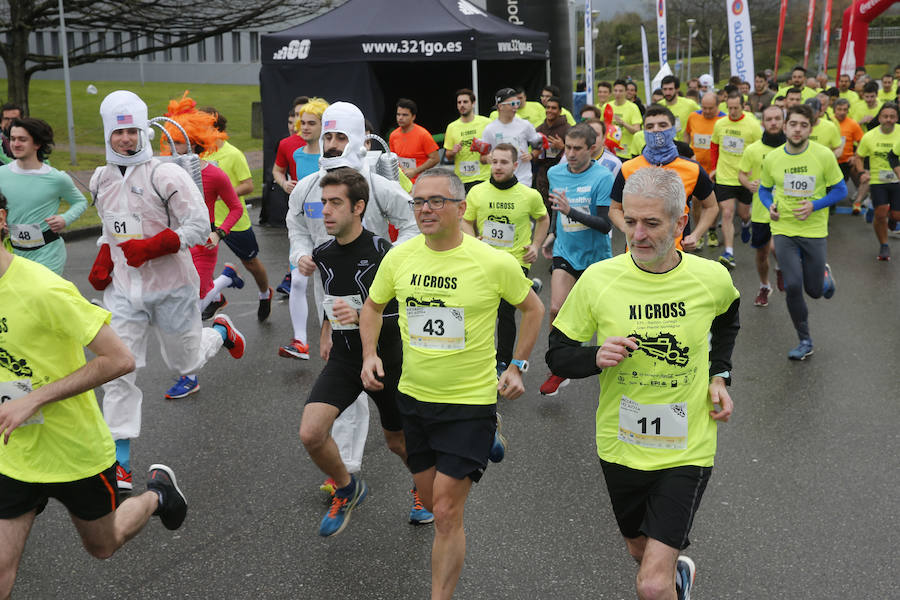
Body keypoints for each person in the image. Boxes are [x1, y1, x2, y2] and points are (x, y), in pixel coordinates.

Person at [546, 166, 739, 600]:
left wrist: (720, 375)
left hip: (687, 445)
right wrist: (594, 356)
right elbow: (557, 355)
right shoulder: (599, 280)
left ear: (681, 221)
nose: (637, 234)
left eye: (651, 223)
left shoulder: (710, 278)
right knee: (639, 550)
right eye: (630, 221)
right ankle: (675, 574)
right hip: (621, 443)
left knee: (650, 585)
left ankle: (664, 579)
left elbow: (728, 319)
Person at [360, 167, 544, 600]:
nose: (425, 209)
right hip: (414, 398)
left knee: (444, 512)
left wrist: (517, 366)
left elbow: (534, 309)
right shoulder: (400, 257)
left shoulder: (493, 262)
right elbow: (372, 307)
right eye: (418, 202)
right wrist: (369, 354)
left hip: (469, 402)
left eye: (436, 201)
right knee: (429, 500)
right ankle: (489, 437)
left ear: (461, 208)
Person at [0, 192, 189, 598]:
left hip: (74, 450)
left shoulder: (43, 289)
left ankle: (157, 495)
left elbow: (120, 359)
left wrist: (34, 398)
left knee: (103, 545)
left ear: (0, 219)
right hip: (13, 451)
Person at [89, 90, 247, 489]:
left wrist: (155, 246)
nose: (126, 139)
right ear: (108, 135)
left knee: (184, 363)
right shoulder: (101, 178)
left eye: (132, 131)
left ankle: (220, 331)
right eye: (118, 132)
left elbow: (198, 225)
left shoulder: (165, 175)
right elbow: (111, 228)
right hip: (124, 291)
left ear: (143, 132)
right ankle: (120, 461)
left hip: (172, 286)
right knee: (119, 368)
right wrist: (105, 257)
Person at [287, 101, 418, 498]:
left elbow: (412, 223)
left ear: (358, 139)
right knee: (345, 379)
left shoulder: (376, 186)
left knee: (400, 410)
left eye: (340, 137)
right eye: (327, 136)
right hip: (333, 295)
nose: (331, 144)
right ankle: (345, 471)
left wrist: (392, 261)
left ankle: (432, 464)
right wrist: (300, 254)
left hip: (381, 300)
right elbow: (295, 225)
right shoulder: (310, 186)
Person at [298, 167, 431, 536]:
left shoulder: (383, 253)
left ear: (358, 207)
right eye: (323, 203)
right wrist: (326, 330)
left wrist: (360, 316)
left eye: (335, 203)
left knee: (398, 442)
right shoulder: (323, 253)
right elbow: (333, 297)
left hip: (386, 360)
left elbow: (402, 313)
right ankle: (348, 487)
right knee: (311, 433)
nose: (325, 211)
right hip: (344, 358)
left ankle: (423, 488)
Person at [758, 104, 845, 360]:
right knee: (793, 285)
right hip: (783, 228)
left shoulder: (823, 155)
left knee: (815, 291)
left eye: (803, 125)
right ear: (785, 127)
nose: (798, 129)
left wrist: (814, 206)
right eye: (793, 124)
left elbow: (840, 190)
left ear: (810, 129)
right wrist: (769, 206)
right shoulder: (773, 158)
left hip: (814, 230)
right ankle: (805, 340)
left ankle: (824, 276)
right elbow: (764, 189)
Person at [539, 124, 615, 396]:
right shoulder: (555, 172)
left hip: (596, 257)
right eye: (568, 147)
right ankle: (558, 367)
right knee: (556, 309)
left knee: (606, 318)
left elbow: (605, 225)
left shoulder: (603, 177)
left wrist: (571, 211)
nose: (570, 153)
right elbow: (556, 209)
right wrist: (551, 234)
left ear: (591, 149)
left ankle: (613, 362)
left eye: (577, 148)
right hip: (566, 251)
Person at [462, 143, 549, 373]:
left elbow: (543, 219)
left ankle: (503, 361)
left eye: (504, 162)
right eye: (495, 162)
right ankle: (529, 289)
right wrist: (472, 240)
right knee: (481, 308)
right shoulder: (477, 192)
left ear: (515, 165)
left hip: (516, 261)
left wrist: (536, 245)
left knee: (505, 312)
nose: (498, 167)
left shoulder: (529, 195)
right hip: (484, 260)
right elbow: (466, 221)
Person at [159, 93, 245, 323]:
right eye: (169, 141)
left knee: (192, 305)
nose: (171, 148)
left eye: (178, 142)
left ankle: (219, 328)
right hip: (174, 243)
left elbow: (236, 208)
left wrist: (219, 234)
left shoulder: (214, 174)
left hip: (203, 244)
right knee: (176, 298)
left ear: (194, 143)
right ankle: (225, 280)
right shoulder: (162, 173)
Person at [609, 105, 719, 257]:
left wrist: (696, 235)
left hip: (674, 255)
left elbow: (712, 206)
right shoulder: (628, 168)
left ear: (673, 130)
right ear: (644, 131)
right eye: (650, 126)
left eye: (662, 125)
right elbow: (614, 209)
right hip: (635, 254)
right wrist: (629, 229)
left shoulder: (692, 169)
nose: (656, 130)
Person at [200, 106, 274, 321]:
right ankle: (215, 298)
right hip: (207, 220)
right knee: (200, 263)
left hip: (234, 220)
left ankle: (264, 294)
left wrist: (222, 193)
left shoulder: (233, 154)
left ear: (217, 128)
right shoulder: (199, 153)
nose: (199, 132)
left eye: (204, 127)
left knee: (250, 262)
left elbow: (248, 185)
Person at [0, 117, 86, 275]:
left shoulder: (57, 178)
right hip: (13, 253)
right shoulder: (2, 174)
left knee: (42, 291)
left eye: (22, 139)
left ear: (37, 143)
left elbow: (80, 201)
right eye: (12, 139)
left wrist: (65, 218)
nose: (15, 144)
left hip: (47, 253)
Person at [279, 97, 329, 360]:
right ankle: (300, 342)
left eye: (311, 123)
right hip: (304, 226)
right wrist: (285, 184)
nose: (305, 127)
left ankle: (334, 338)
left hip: (328, 228)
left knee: (329, 287)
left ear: (324, 126)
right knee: (298, 281)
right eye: (303, 123)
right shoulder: (297, 153)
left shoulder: (330, 156)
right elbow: (280, 173)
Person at [739, 105, 786, 306]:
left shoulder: (792, 148)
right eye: (769, 119)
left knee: (776, 247)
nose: (773, 122)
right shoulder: (753, 150)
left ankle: (781, 268)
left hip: (786, 210)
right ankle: (765, 285)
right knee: (761, 254)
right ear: (763, 123)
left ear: (783, 121)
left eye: (777, 118)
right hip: (761, 210)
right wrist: (748, 184)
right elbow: (742, 174)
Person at [710, 91, 762, 270]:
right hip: (725, 176)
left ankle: (746, 224)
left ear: (743, 106)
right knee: (726, 213)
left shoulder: (753, 125)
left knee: (744, 213)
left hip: (746, 177)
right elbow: (714, 146)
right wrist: (714, 167)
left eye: (736, 108)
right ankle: (729, 253)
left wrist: (758, 172)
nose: (732, 112)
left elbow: (761, 149)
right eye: (729, 108)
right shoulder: (720, 124)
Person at [856, 102, 900, 261]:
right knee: (880, 214)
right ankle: (884, 245)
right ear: (879, 118)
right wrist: (862, 172)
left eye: (892, 116)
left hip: (898, 179)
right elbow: (859, 157)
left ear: (897, 118)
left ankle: (893, 219)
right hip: (878, 180)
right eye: (885, 116)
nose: (888, 119)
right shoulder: (869, 136)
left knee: (896, 215)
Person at [480, 88, 545, 187]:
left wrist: (532, 155)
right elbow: (482, 159)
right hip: (500, 181)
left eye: (517, 103)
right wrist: (487, 158)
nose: (516, 107)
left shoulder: (525, 125)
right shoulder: (489, 129)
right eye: (512, 104)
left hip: (523, 180)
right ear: (500, 106)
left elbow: (539, 147)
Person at [685, 93, 725, 248]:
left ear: (718, 106)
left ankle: (712, 230)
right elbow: (687, 133)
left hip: (716, 169)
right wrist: (687, 151)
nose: (706, 111)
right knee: (696, 202)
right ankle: (698, 233)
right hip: (696, 168)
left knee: (713, 202)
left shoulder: (723, 120)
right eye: (704, 108)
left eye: (710, 108)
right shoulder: (693, 116)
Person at [443, 89, 491, 193]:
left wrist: (485, 149)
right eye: (459, 102)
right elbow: (448, 155)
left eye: (465, 102)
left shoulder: (486, 123)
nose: (462, 105)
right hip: (462, 179)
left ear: (473, 103)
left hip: (483, 177)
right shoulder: (452, 127)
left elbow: (497, 146)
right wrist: (453, 151)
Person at [389, 98, 439, 182]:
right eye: (398, 114)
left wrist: (415, 171)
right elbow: (393, 159)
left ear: (413, 117)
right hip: (401, 182)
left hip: (420, 182)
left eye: (405, 115)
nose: (400, 118)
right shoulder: (393, 135)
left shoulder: (423, 134)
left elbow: (435, 159)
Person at [534, 95, 571, 206]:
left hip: (562, 175)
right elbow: (534, 156)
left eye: (553, 108)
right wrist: (536, 153)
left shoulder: (568, 129)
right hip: (543, 177)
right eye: (548, 107)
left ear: (560, 111)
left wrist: (563, 147)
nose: (550, 110)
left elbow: (576, 153)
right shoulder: (539, 129)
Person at [832, 98, 865, 212]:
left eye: (845, 110)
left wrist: (855, 156)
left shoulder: (852, 124)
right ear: (834, 110)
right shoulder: (829, 122)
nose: (842, 112)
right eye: (839, 109)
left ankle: (861, 196)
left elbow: (862, 142)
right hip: (831, 161)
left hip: (846, 160)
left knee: (856, 171)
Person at [607, 79, 643, 160]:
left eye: (621, 91)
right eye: (615, 91)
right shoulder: (607, 106)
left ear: (626, 92)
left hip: (626, 153)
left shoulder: (633, 107)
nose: (618, 93)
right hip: (610, 152)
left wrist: (623, 123)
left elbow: (637, 130)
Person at [661, 75, 699, 141]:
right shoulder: (659, 106)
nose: (667, 93)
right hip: (666, 145)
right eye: (665, 89)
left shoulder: (690, 104)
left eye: (670, 89)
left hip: (685, 145)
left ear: (677, 89)